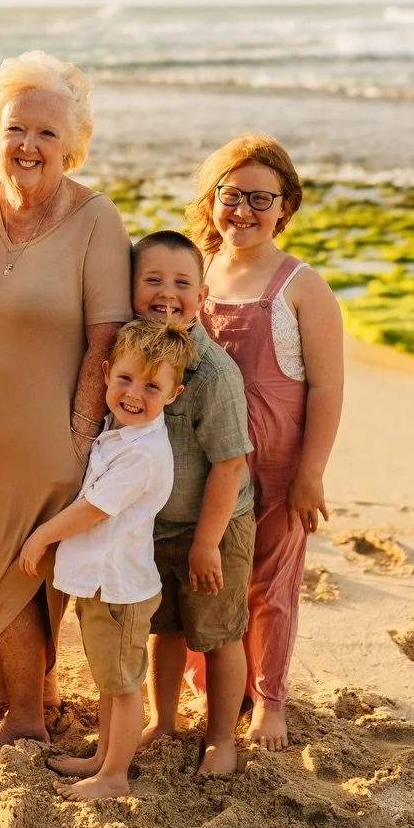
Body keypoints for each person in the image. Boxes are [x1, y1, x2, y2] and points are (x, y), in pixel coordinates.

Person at [0, 51, 133, 754]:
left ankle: (26, 717)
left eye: (47, 134)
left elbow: (106, 337)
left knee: (19, 567)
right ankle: (31, 692)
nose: (29, 146)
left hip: (47, 433)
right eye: (17, 129)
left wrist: (81, 432)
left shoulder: (97, 219)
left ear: (70, 144)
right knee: (8, 568)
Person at [187, 133, 345, 751]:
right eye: (232, 195)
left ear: (285, 207)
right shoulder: (193, 271)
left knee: (271, 583)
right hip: (203, 456)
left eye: (261, 198)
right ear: (212, 199)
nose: (244, 211)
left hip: (277, 465)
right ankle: (212, 688)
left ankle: (269, 698)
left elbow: (327, 388)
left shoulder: (302, 286)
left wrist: (312, 473)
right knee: (206, 575)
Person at [17, 318, 194, 800]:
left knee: (123, 686)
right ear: (106, 371)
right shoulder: (119, 433)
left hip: (118, 586)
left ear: (173, 395)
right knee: (108, 679)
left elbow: (94, 509)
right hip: (101, 583)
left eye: (152, 387)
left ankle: (115, 776)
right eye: (125, 379)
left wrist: (41, 538)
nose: (134, 393)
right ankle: (102, 757)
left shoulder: (142, 452)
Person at [131, 230, 255, 776]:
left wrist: (206, 544)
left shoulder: (214, 373)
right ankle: (163, 720)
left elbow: (229, 465)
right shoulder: (134, 356)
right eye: (152, 280)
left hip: (216, 528)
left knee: (219, 633)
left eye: (182, 283)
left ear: (202, 295)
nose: (166, 294)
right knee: (168, 627)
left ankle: (222, 738)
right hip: (158, 527)